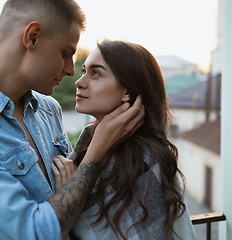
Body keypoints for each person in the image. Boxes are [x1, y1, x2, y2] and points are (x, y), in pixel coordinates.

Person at [0, 1, 144, 240]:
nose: (70, 71)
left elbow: (75, 199)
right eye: (65, 53)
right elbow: (34, 233)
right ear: (32, 37)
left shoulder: (48, 110)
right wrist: (97, 152)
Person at [51, 40, 196, 240]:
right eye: (84, 71)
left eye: (96, 73)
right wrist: (73, 190)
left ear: (127, 91)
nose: (79, 81)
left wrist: (69, 192)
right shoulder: (86, 144)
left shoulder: (144, 160)